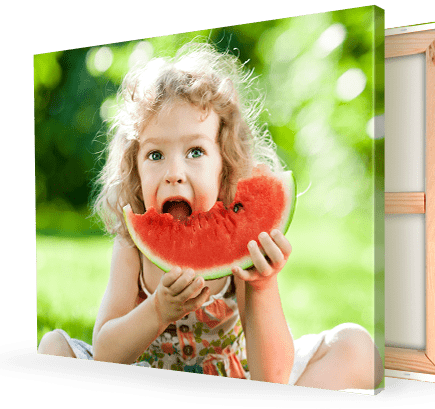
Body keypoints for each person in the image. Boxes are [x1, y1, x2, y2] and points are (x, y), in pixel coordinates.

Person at [38, 41, 383, 391]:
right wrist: (158, 310)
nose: (174, 172)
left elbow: (272, 375)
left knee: (355, 347)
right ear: (134, 169)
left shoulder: (246, 247)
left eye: (195, 151)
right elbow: (106, 356)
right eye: (155, 155)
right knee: (52, 348)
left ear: (226, 164)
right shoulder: (132, 245)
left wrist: (262, 285)